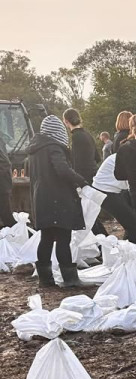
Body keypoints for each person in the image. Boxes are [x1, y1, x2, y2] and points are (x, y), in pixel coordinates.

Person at [27, 115, 88, 288]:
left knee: (46, 238)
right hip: (57, 198)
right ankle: (70, 279)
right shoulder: (53, 147)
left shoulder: (35, 149)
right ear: (57, 131)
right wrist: (81, 181)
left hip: (41, 198)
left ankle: (45, 279)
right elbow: (62, 169)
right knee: (63, 238)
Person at [90, 152, 136, 242]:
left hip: (105, 189)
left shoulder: (122, 155)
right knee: (133, 226)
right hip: (105, 191)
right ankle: (127, 252)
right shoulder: (128, 158)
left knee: (135, 221)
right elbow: (132, 183)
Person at [63, 109, 99, 182]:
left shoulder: (76, 137)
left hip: (85, 179)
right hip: (95, 175)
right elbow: (97, 158)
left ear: (66, 121)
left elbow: (76, 163)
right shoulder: (88, 135)